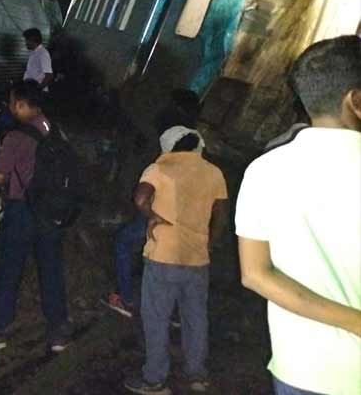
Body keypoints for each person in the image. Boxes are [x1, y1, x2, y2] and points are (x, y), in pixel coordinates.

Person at [236, 35, 361, 395]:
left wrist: (353, 322)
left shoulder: (264, 171)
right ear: (355, 100)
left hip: (301, 370)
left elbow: (256, 274)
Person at [0, 80, 74, 353]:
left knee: (8, 271)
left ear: (21, 104)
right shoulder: (55, 129)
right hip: (52, 211)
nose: (11, 107)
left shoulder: (17, 137)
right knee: (51, 270)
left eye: (13, 102)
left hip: (23, 211)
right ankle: (58, 332)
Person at [123, 126, 228, 395]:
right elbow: (221, 217)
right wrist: (210, 245)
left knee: (156, 318)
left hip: (163, 255)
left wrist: (152, 216)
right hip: (197, 257)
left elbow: (140, 198)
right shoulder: (214, 173)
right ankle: (197, 375)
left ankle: (155, 379)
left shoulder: (157, 169)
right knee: (195, 317)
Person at [102, 89, 203, 318]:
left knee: (124, 243)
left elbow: (142, 196)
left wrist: (150, 214)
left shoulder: (169, 140)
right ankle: (177, 313)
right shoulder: (195, 139)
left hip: (162, 209)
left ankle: (125, 299)